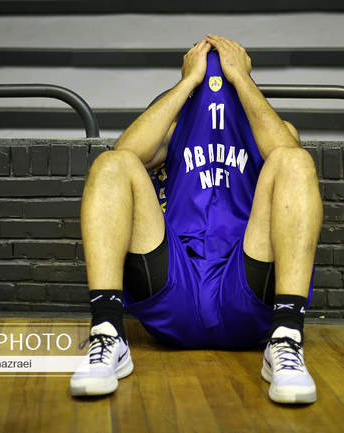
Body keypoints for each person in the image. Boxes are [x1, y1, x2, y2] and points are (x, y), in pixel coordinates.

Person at [70, 34, 323, 404]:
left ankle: (286, 337)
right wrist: (188, 81)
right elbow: (125, 151)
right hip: (176, 285)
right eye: (208, 79)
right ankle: (107, 331)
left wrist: (242, 80)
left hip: (244, 285)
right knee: (112, 164)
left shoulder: (272, 131)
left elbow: (286, 152)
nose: (214, 88)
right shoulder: (173, 131)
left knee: (294, 159)